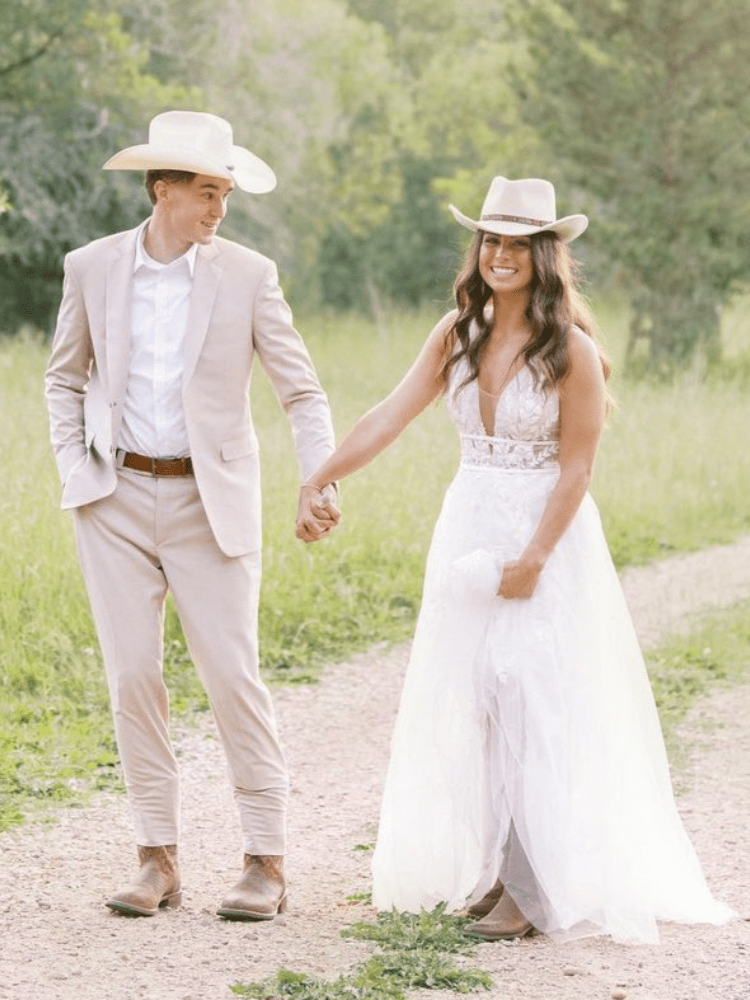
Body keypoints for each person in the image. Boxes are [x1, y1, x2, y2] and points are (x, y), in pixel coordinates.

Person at [295, 176, 733, 943]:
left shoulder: (572, 351)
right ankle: (502, 872)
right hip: (467, 525)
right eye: (490, 240)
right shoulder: (455, 334)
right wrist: (323, 474)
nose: (500, 254)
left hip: (543, 537)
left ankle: (532, 892)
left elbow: (577, 470)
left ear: (545, 257)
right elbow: (392, 413)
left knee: (534, 701)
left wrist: (533, 557)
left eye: (518, 244)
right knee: (480, 705)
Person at [45, 110, 340, 921]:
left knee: (231, 676)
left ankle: (265, 861)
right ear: (160, 188)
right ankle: (156, 858)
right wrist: (77, 467)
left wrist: (322, 480)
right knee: (133, 676)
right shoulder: (91, 267)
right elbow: (64, 377)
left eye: (226, 193)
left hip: (213, 503)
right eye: (206, 191)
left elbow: (302, 391)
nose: (219, 209)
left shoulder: (249, 274)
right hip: (113, 500)